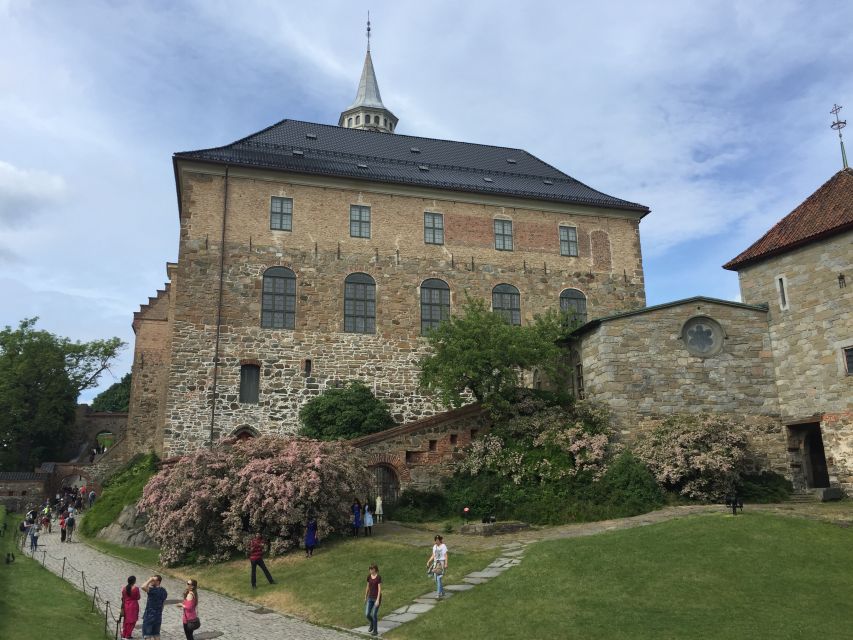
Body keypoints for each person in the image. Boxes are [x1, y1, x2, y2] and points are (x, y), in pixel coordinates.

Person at [141, 575, 167, 640]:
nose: (151, 581)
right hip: (158, 616)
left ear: (158, 582)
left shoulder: (153, 590)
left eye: (153, 580)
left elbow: (143, 586)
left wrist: (149, 580)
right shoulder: (164, 591)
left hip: (149, 616)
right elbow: (163, 603)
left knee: (147, 635)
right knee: (156, 635)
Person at [363, 563, 382, 636]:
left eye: (371, 569)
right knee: (367, 614)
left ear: (374, 569)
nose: (370, 570)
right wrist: (365, 596)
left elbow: (379, 589)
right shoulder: (369, 577)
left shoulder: (378, 577)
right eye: (369, 569)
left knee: (374, 614)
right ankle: (371, 623)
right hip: (370, 598)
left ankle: (375, 631)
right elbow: (367, 587)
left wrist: (377, 600)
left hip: (377, 598)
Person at [120, 575, 141, 640]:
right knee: (132, 621)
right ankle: (128, 635)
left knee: (126, 620)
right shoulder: (136, 589)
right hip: (133, 606)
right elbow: (138, 597)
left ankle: (124, 634)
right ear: (134, 581)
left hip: (126, 605)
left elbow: (123, 597)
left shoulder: (124, 588)